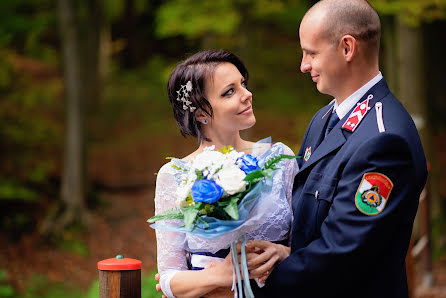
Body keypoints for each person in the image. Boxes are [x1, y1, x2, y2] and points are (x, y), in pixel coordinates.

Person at [242, 1, 428, 297]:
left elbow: (342, 253)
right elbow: (308, 222)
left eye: (311, 53)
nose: (303, 65)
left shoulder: (384, 140)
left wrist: (243, 287)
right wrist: (279, 252)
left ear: (346, 48)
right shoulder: (326, 118)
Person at [153, 49, 298, 298]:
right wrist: (221, 274)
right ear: (200, 113)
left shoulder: (279, 159)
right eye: (229, 91)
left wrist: (284, 253)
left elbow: (309, 246)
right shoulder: (175, 175)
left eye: (243, 84)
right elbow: (168, 277)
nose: (247, 95)